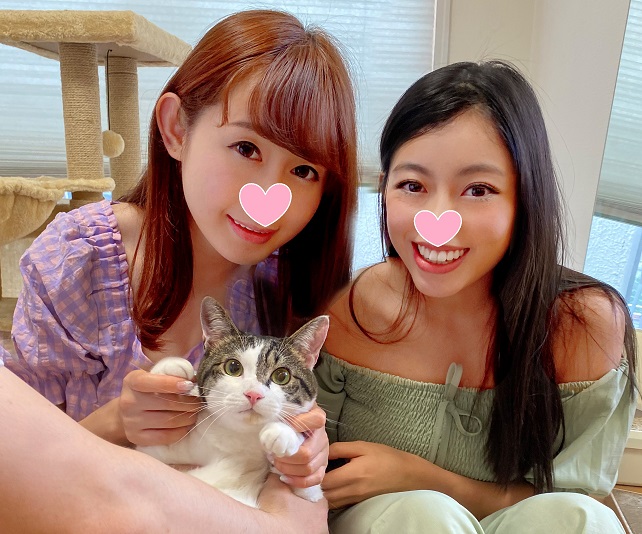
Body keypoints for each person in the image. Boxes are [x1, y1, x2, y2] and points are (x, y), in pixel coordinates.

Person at [3, 9, 358, 489]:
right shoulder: (80, 261)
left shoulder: (289, 284)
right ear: (176, 129)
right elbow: (17, 464)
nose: (268, 199)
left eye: (303, 171)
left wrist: (306, 455)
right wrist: (118, 422)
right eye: (246, 148)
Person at [315, 60, 638, 533]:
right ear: (384, 190)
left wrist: (420, 477)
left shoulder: (583, 325)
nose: (438, 220)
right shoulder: (355, 308)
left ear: (525, 197)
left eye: (478, 189)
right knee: (421, 516)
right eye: (412, 185)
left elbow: (572, 496)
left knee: (581, 518)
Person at [0, 360, 328, 533]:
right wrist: (115, 420)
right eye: (233, 368)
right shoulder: (68, 269)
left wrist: (309, 443)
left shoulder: (286, 288)